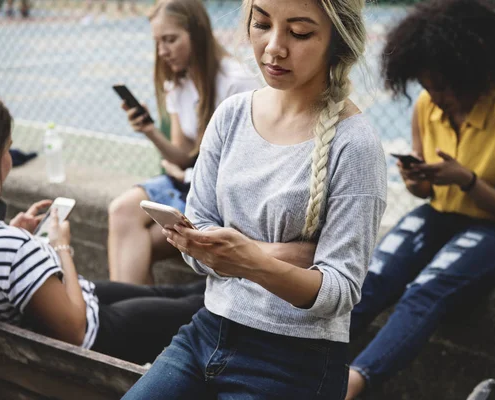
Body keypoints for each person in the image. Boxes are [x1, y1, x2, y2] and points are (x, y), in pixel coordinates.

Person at [123, 0, 387, 398]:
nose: (273, 47)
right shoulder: (230, 116)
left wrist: (252, 262)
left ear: (338, 40)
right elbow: (197, 237)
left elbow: (339, 291)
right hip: (208, 328)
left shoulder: (356, 145)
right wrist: (274, 254)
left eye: (299, 33)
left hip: (295, 359)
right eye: (261, 24)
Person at [345, 0, 495, 398]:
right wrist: (416, 178)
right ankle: (297, 353)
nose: (435, 96)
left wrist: (467, 180)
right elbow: (426, 192)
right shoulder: (426, 106)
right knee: (372, 278)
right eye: (427, 85)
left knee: (426, 290)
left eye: (445, 86)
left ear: (476, 72)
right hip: (440, 214)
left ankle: (351, 384)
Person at [0, 87, 209, 365]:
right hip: (100, 336)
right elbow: (76, 331)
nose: (9, 158)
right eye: (7, 148)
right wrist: (60, 247)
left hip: (55, 333)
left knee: (177, 293)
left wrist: (14, 234)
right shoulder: (12, 249)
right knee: (200, 305)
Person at [108, 0, 261, 285]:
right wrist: (150, 131)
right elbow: (181, 155)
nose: (162, 51)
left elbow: (243, 167)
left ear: (197, 33)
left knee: (135, 242)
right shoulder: (177, 82)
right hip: (185, 182)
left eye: (170, 40)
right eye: (157, 42)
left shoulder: (236, 83)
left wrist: (187, 171)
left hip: (216, 195)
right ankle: (126, 317)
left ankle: (124, 318)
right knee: (121, 210)